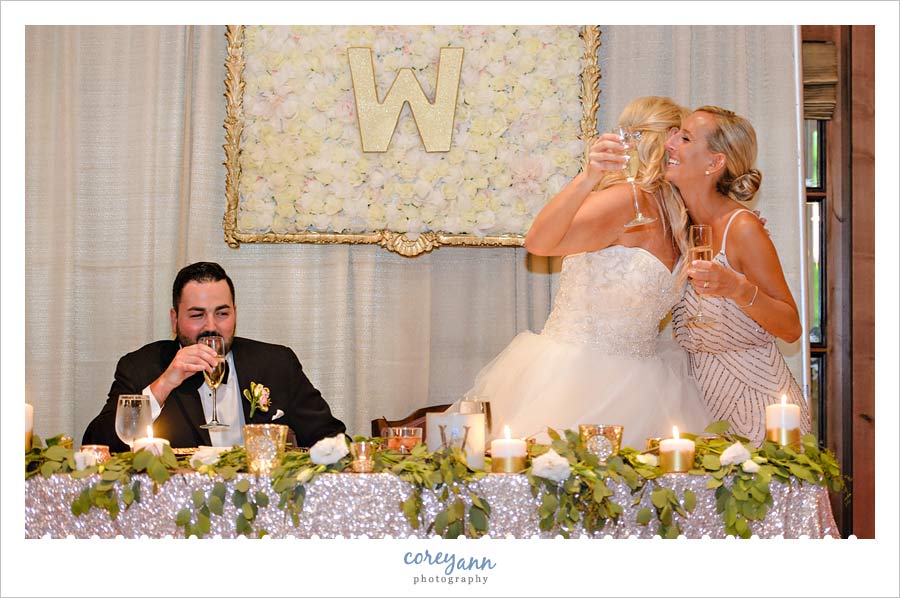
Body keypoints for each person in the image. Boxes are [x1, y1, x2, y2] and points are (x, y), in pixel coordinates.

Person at [466, 96, 710, 449]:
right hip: (599, 383)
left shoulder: (658, 209)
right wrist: (588, 178)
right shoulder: (645, 206)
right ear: (666, 138)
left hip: (615, 383)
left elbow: (537, 243)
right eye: (681, 138)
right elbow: (539, 243)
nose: (681, 147)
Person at [82, 262, 346, 451]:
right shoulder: (141, 366)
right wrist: (163, 386)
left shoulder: (276, 363)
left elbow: (331, 438)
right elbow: (99, 445)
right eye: (197, 315)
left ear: (235, 313)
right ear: (174, 319)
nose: (211, 326)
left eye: (222, 313)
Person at [666, 106, 811, 445]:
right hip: (700, 405)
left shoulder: (743, 228)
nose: (669, 144)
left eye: (685, 138)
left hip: (757, 405)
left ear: (715, 162)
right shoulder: (680, 226)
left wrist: (737, 288)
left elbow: (791, 328)